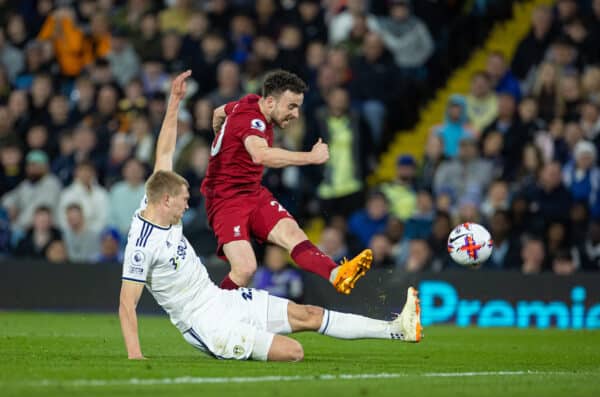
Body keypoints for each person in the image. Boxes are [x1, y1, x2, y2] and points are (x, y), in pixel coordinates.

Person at [118, 70, 422, 362]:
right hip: (205, 318)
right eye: (184, 202)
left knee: (309, 313)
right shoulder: (142, 244)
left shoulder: (158, 192)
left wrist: (175, 101)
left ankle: (395, 328)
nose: (187, 207)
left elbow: (167, 148)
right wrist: (135, 355)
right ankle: (234, 334)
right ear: (167, 200)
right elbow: (126, 304)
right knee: (293, 350)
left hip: (220, 295)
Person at [204, 69, 373, 294]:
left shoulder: (249, 102)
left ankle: (337, 275)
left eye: (298, 107)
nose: (296, 114)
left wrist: (221, 138)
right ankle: (208, 314)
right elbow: (261, 155)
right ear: (271, 102)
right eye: (291, 106)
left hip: (253, 192)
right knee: (245, 269)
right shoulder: (252, 120)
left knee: (293, 234)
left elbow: (218, 113)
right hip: (226, 200)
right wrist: (310, 157)